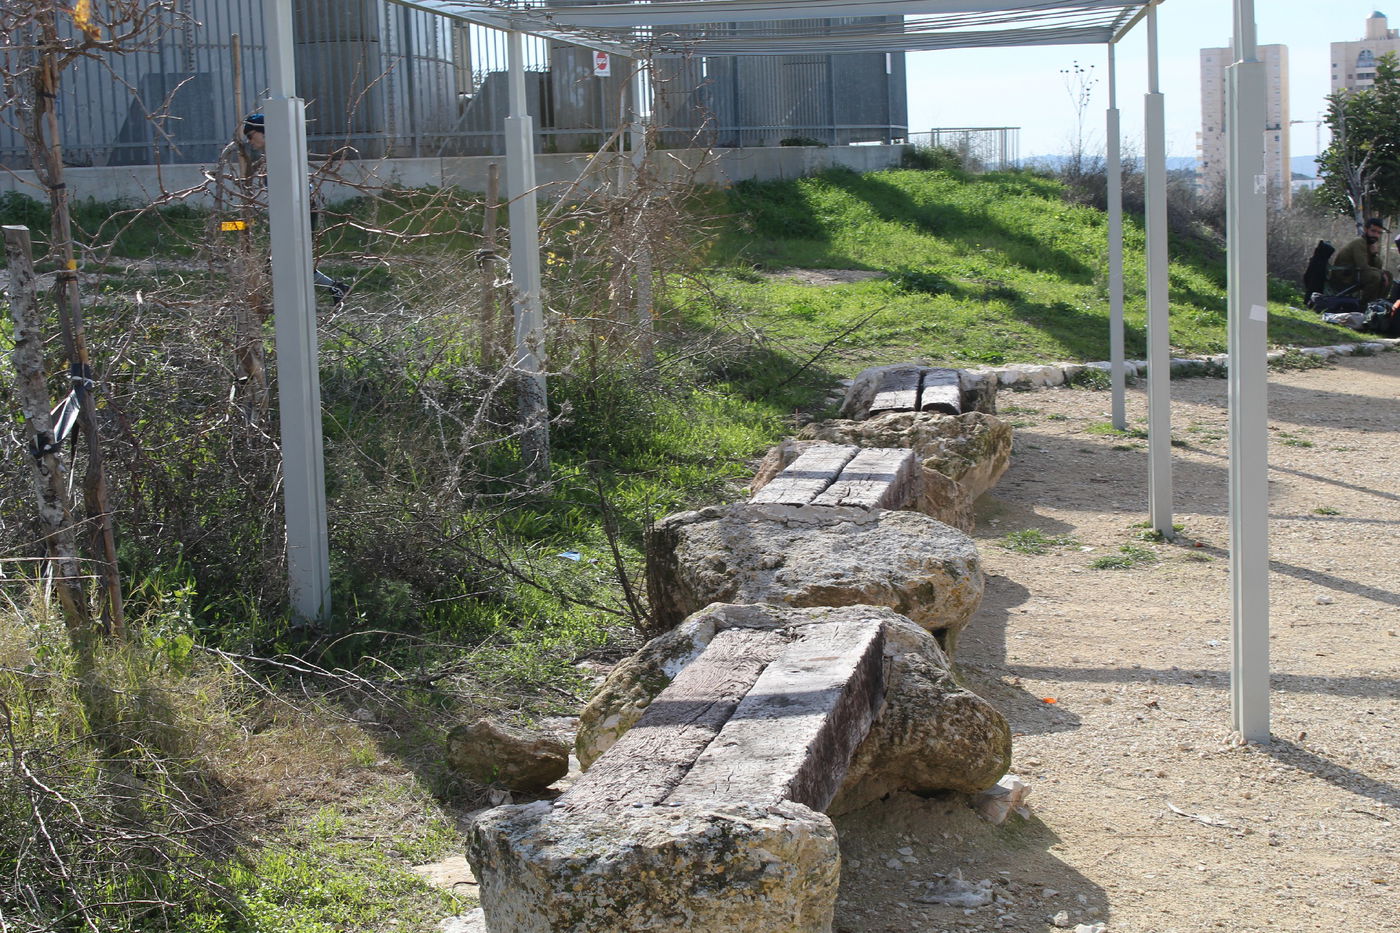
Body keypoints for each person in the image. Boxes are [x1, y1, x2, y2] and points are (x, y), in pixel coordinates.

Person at [236, 112, 349, 304]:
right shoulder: (275, 153)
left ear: (263, 131)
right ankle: (333, 288)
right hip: (293, 212)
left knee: (286, 262)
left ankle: (296, 303)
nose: (249, 141)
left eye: (250, 135)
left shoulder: (281, 152)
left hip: (299, 212)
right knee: (286, 262)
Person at [1329, 217, 1391, 301]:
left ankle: (1379, 304)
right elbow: (1363, 266)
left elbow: (1378, 266)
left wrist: (1374, 254)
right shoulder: (1359, 242)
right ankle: (1365, 305)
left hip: (1355, 274)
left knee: (1388, 275)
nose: (1376, 235)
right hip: (1344, 277)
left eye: (1379, 233)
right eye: (1373, 231)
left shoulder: (1369, 244)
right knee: (1375, 276)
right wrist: (1381, 273)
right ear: (1366, 230)